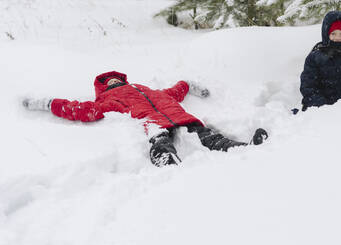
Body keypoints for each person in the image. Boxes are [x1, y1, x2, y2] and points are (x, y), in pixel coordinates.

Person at [22, 71, 268, 167]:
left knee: (209, 136)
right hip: (152, 123)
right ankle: (166, 161)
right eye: (111, 82)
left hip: (180, 116)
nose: (116, 82)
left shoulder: (149, 90)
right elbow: (79, 109)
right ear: (105, 88)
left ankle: (240, 148)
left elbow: (175, 91)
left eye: (118, 80)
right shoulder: (107, 100)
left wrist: (190, 85)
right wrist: (46, 103)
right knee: (159, 139)